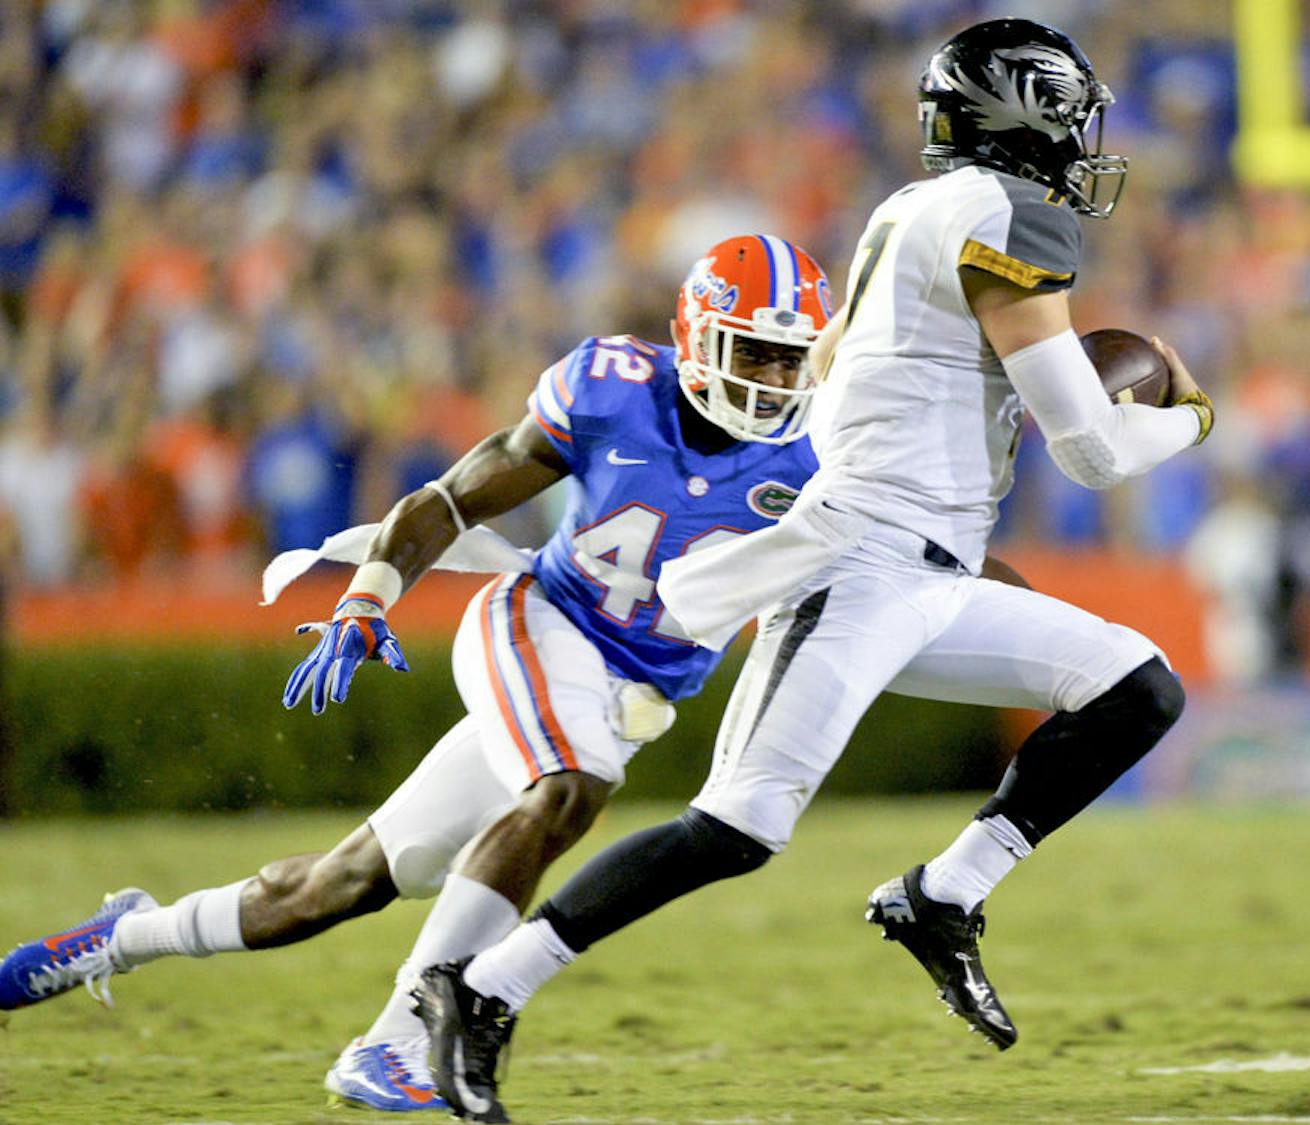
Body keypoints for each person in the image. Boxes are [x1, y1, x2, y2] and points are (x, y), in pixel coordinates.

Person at [410, 19, 1215, 1123]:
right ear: (1023, 115)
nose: (1083, 142)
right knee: (739, 827)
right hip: (859, 560)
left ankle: (943, 896)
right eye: (1071, 116)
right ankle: (484, 986)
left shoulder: (909, 210)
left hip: (926, 565)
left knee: (1138, 689)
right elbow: (1091, 451)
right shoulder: (1009, 217)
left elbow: (847, 367)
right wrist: (1186, 409)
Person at [0, 235, 833, 1115]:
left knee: (337, 885)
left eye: (791, 357)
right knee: (569, 785)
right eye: (754, 351)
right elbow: (450, 498)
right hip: (541, 626)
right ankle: (401, 1039)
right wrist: (367, 597)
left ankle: (118, 936)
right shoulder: (612, 390)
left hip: (618, 693)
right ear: (696, 337)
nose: (775, 379)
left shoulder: (824, 448)